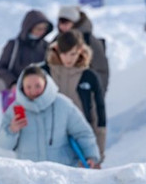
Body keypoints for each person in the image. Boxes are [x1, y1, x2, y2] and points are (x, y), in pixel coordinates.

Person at [0, 65, 100, 168]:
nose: (33, 91)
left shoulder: (62, 104)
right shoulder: (15, 109)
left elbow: (82, 133)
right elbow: (1, 144)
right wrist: (12, 130)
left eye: (38, 86)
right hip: (30, 173)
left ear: (46, 83)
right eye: (28, 87)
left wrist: (90, 156)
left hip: (63, 172)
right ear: (22, 87)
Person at [43, 30, 107, 164]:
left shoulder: (89, 77)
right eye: (64, 54)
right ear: (56, 50)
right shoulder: (45, 73)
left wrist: (98, 154)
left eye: (72, 53)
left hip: (81, 142)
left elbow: (99, 115)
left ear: (80, 51)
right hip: (50, 142)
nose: (68, 59)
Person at [0, 9, 53, 111]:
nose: (41, 32)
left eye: (44, 29)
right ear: (29, 28)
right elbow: (0, 69)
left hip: (40, 97)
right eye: (38, 28)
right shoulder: (14, 45)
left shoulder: (46, 47)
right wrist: (12, 83)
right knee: (19, 124)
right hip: (17, 96)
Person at [56, 5, 109, 95]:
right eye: (61, 23)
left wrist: (97, 94)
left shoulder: (90, 41)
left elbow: (101, 70)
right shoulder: (57, 40)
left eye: (66, 23)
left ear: (75, 23)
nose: (63, 27)